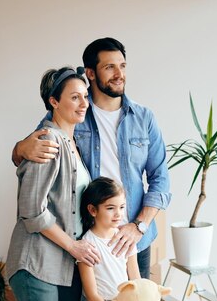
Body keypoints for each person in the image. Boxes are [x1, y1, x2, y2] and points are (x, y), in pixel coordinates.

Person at [12, 37, 171, 279]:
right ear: (91, 73)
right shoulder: (74, 113)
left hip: (134, 241)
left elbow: (161, 180)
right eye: (109, 67)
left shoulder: (144, 117)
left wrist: (138, 227)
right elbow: (31, 149)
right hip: (89, 242)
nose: (119, 74)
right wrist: (20, 147)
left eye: (123, 66)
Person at [6, 66, 99, 301]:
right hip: (36, 264)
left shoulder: (71, 142)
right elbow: (32, 210)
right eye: (75, 97)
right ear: (53, 101)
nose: (84, 103)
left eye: (85, 96)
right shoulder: (48, 141)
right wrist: (74, 247)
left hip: (61, 267)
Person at [77, 177, 147, 301]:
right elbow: (91, 294)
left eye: (122, 207)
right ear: (93, 210)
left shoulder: (125, 239)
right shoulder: (87, 244)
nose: (118, 214)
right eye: (110, 208)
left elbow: (136, 281)